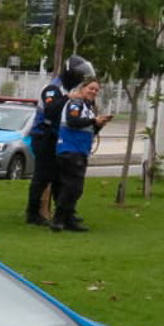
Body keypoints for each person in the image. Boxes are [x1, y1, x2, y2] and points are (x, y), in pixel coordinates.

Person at [24, 55, 91, 226]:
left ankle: (64, 214)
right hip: (44, 136)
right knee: (42, 177)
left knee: (60, 178)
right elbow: (51, 110)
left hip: (58, 137)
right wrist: (69, 97)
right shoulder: (53, 89)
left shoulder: (70, 89)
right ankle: (32, 213)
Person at [52, 77, 113, 232]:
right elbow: (73, 121)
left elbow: (89, 130)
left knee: (73, 188)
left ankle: (67, 218)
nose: (94, 92)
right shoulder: (76, 103)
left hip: (80, 149)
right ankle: (60, 219)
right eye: (91, 88)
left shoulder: (87, 107)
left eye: (96, 90)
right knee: (73, 187)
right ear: (82, 89)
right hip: (70, 149)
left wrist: (98, 124)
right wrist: (93, 121)